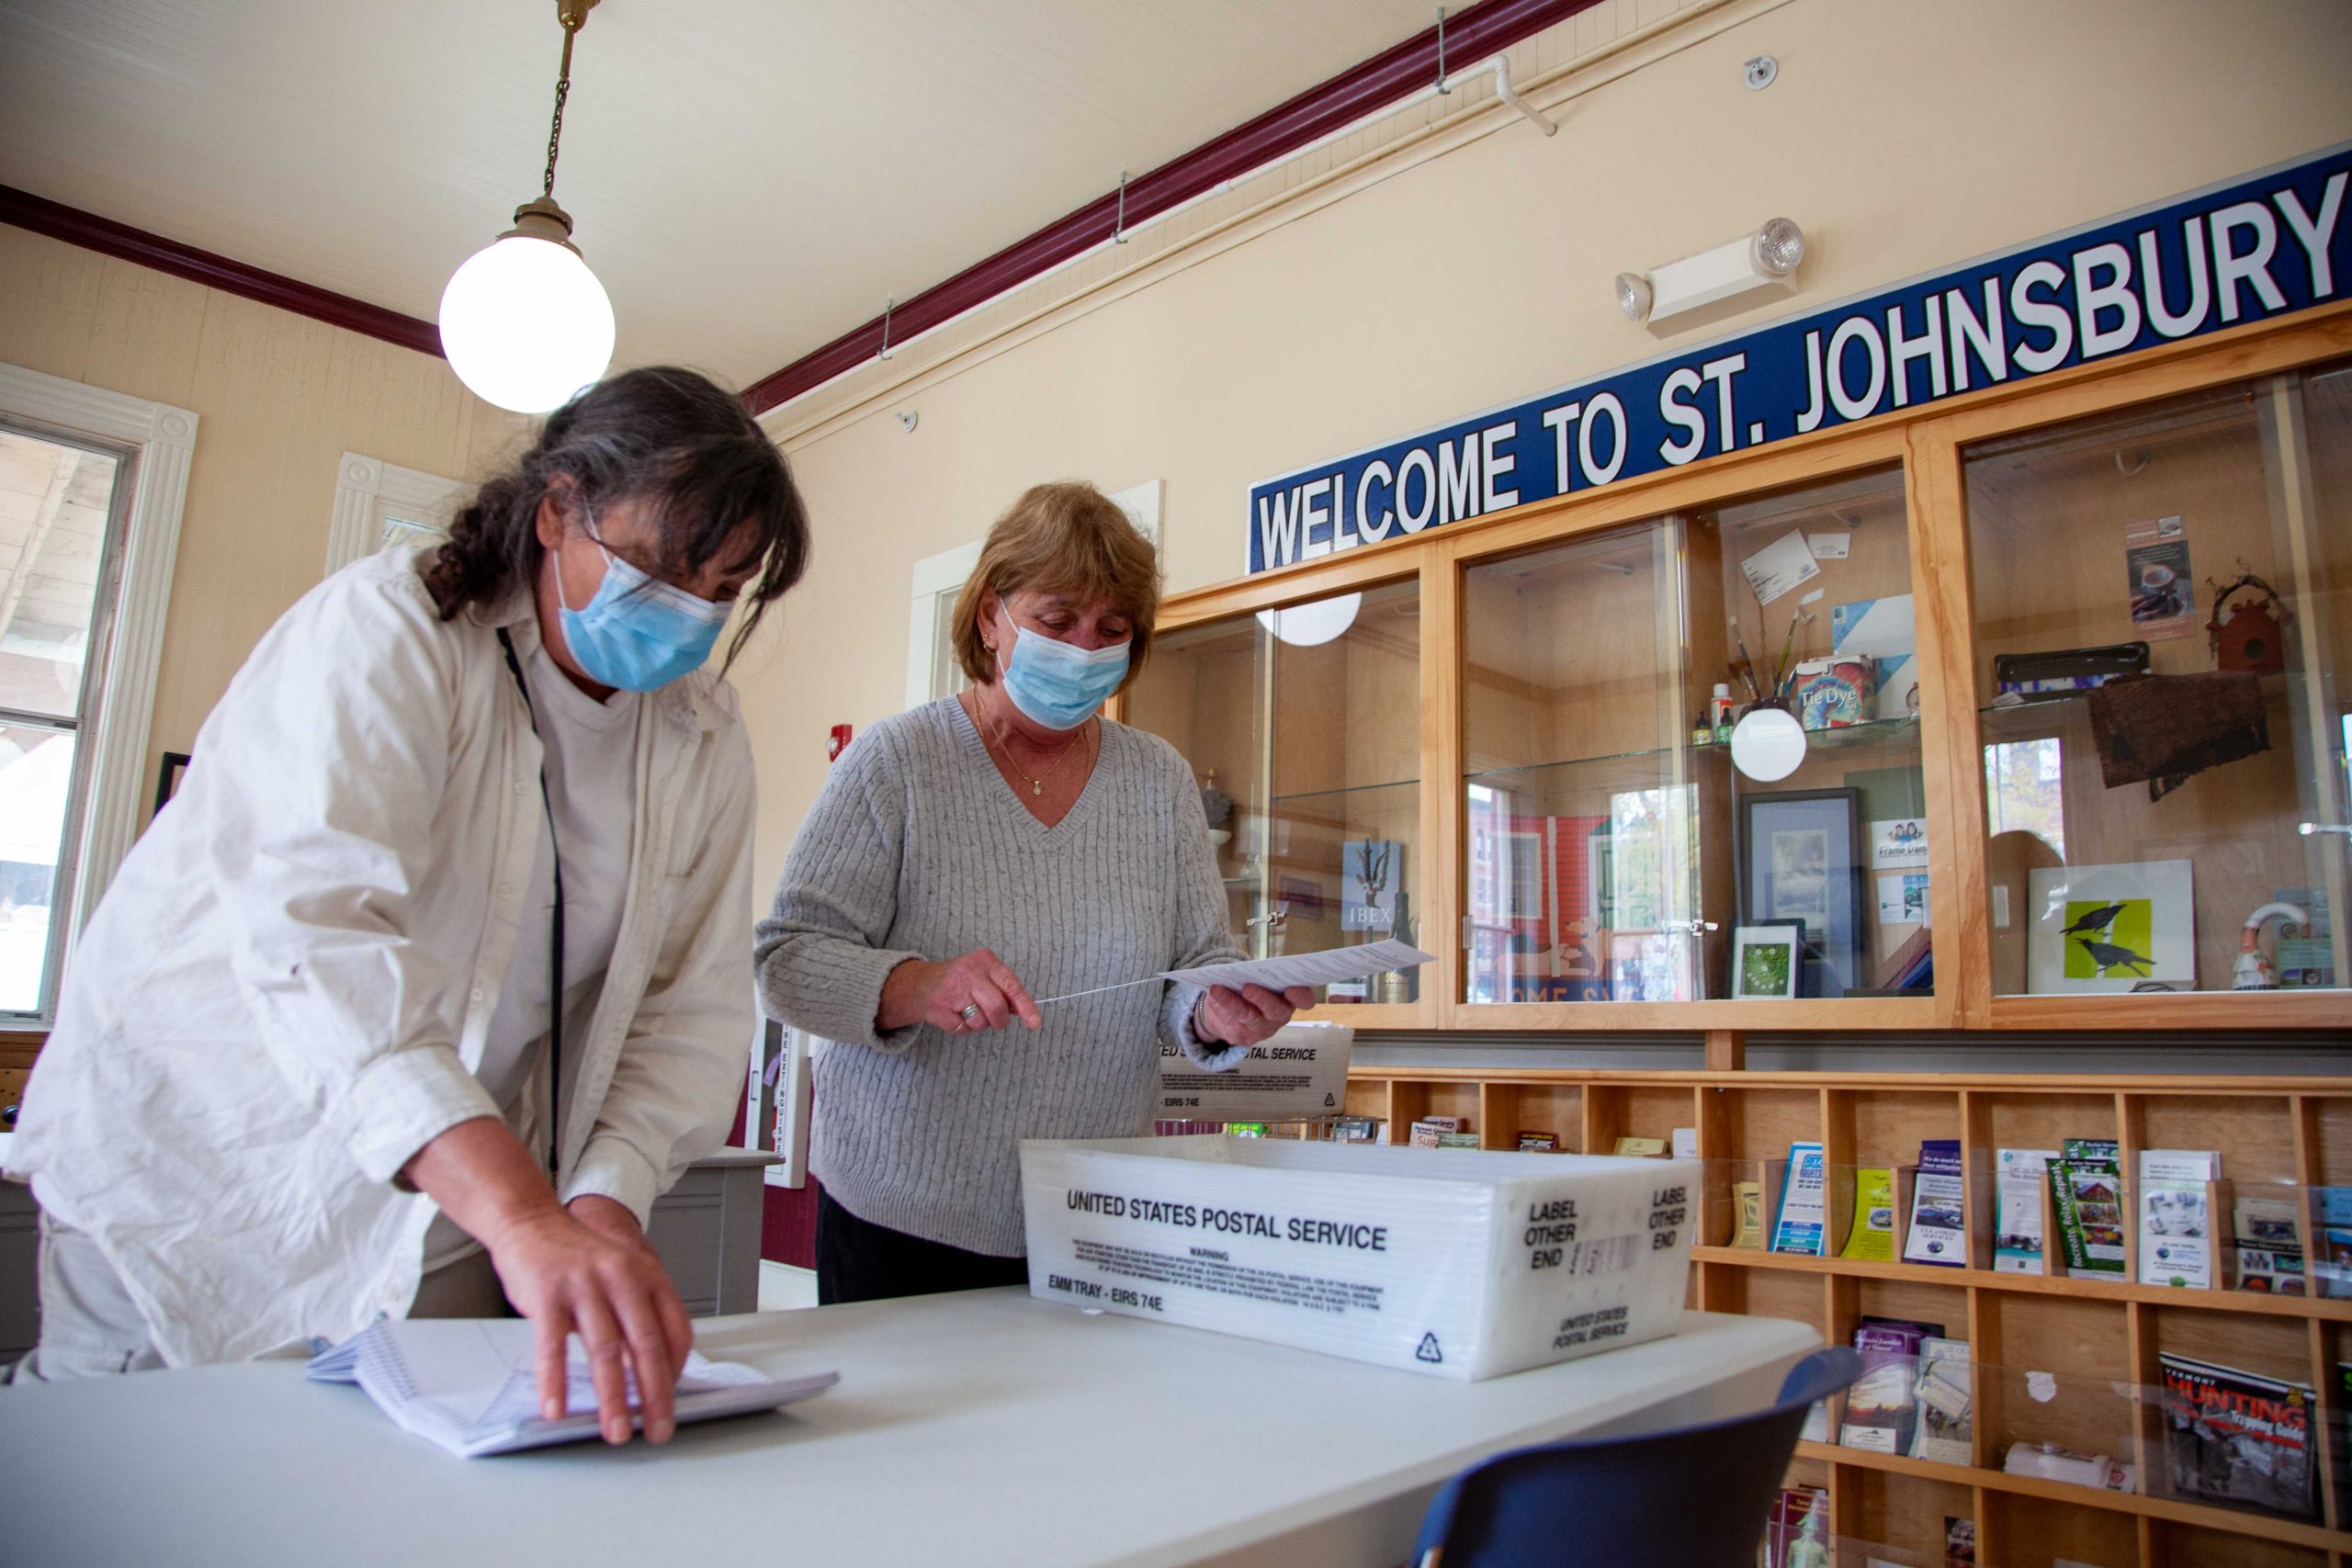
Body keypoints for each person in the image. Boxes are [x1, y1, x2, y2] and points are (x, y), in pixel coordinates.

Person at [9, 367, 809, 1447]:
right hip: (208, 1163)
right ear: (556, 508)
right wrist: (524, 1215)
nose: (691, 614)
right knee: (141, 1473)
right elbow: (319, 938)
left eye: (723, 587)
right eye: (661, 568)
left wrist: (600, 1205)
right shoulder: (391, 629)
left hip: (454, 1199)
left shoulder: (701, 733)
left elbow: (691, 1005)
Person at [755, 480, 1311, 1305]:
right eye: (1056, 621)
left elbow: (1196, 964)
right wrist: (915, 984)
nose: (1084, 649)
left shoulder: (1156, 779)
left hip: (1091, 1216)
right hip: (901, 1222)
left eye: (1112, 630)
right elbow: (785, 959)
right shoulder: (897, 763)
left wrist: (1214, 1011)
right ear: (990, 617)